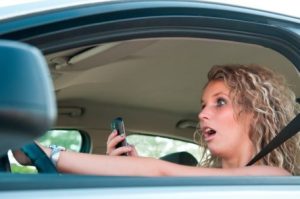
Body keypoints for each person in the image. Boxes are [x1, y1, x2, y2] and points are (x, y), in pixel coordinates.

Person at [39, 64, 300, 176]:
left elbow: (159, 170)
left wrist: (48, 153)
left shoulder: (272, 177)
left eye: (220, 102)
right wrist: (126, 171)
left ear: (256, 113)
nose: (202, 114)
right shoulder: (201, 180)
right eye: (203, 105)